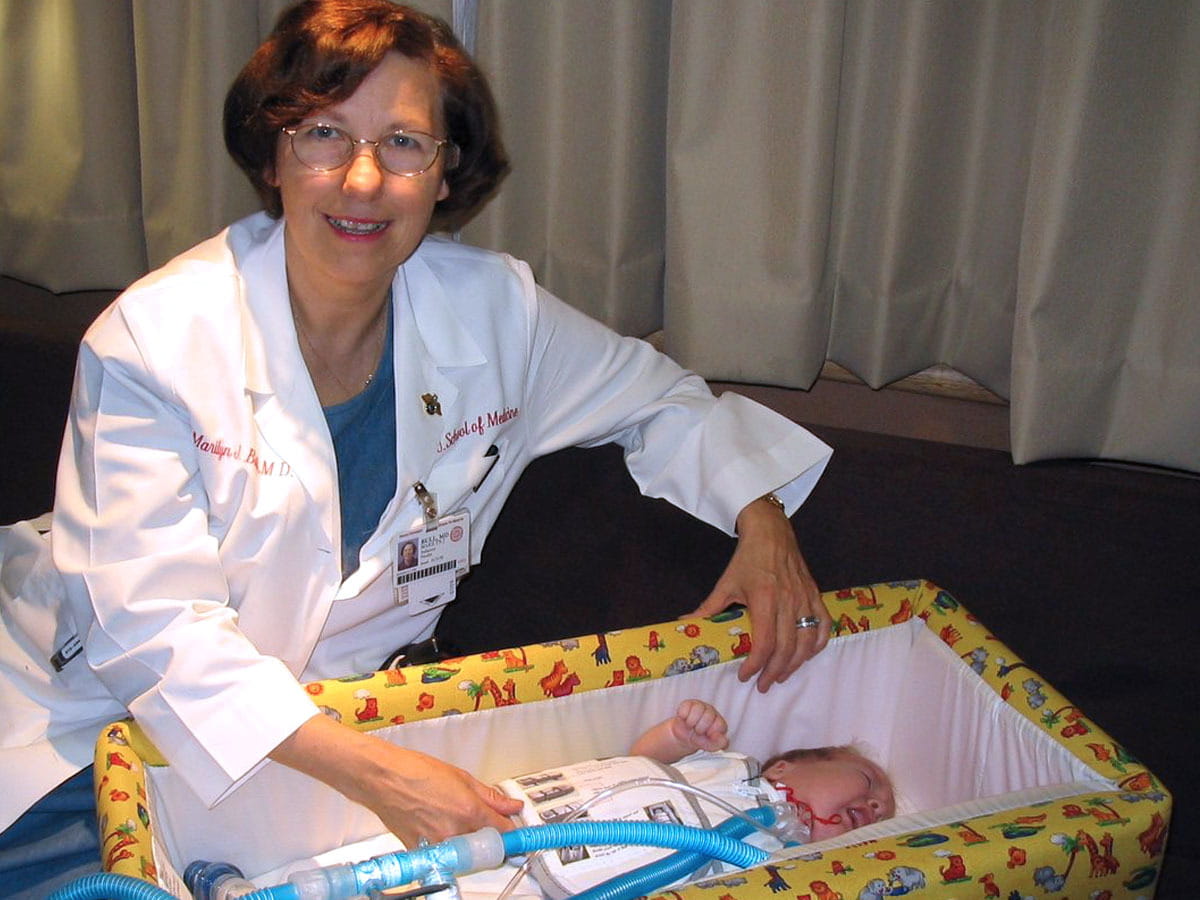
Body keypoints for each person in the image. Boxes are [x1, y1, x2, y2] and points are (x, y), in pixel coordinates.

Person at [0, 0, 833, 892]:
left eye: (403, 143)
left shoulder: (495, 313)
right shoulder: (155, 341)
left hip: (344, 734)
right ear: (273, 157)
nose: (362, 180)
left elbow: (663, 398)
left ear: (445, 175)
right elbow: (156, 635)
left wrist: (763, 521)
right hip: (94, 732)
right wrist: (391, 780)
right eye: (323, 134)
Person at [495, 700, 895, 898]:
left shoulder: (786, 866)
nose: (875, 806)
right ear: (784, 767)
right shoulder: (730, 767)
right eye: (867, 779)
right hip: (526, 824)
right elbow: (638, 766)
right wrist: (680, 736)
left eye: (881, 820)